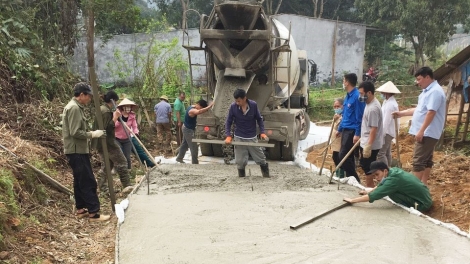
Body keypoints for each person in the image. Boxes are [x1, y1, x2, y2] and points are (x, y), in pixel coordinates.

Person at [62, 82, 110, 221]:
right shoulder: (74, 108)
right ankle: (94, 213)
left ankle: (81, 209)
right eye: (88, 96)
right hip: (76, 150)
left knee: (79, 180)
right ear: (81, 95)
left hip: (76, 150)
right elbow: (75, 132)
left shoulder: (76, 107)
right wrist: (93, 134)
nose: (89, 98)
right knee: (88, 181)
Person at [392, 67, 446, 185]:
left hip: (427, 132)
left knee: (418, 161)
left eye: (419, 79)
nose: (417, 82)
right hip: (427, 132)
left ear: (427, 77)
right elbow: (419, 110)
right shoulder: (426, 92)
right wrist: (402, 113)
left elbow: (431, 112)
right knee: (426, 160)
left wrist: (421, 130)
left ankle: (413, 189)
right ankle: (423, 184)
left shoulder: (435, 92)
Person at [343, 161, 432, 212]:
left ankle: (408, 207)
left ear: (385, 171)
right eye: (374, 175)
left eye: (377, 174)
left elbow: (374, 196)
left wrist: (352, 200)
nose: (376, 178)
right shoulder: (393, 171)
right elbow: (382, 184)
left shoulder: (393, 181)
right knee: (388, 188)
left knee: (391, 193)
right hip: (425, 197)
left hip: (422, 204)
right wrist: (369, 191)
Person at [93, 91, 133, 195]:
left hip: (101, 141)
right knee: (122, 162)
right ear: (113, 101)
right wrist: (115, 117)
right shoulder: (106, 112)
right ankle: (127, 186)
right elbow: (106, 128)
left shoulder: (102, 109)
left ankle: (103, 188)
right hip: (107, 141)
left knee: (107, 165)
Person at [225, 89, 269, 177]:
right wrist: (228, 135)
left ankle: (266, 175)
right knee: (240, 160)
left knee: (260, 157)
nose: (237, 103)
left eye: (239, 101)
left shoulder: (253, 105)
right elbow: (228, 122)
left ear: (245, 98)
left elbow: (259, 119)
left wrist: (262, 132)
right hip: (239, 137)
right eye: (236, 101)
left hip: (251, 137)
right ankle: (241, 177)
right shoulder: (233, 107)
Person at [336, 73, 366, 183]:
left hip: (352, 130)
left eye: (344, 81)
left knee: (343, 155)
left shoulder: (358, 96)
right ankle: (351, 179)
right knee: (348, 157)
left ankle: (355, 179)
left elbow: (360, 116)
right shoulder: (347, 96)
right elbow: (345, 114)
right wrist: (339, 129)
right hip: (345, 129)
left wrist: (357, 133)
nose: (343, 83)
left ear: (347, 82)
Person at [115, 98, 156, 169]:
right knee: (120, 154)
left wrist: (136, 132)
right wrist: (119, 120)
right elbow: (114, 126)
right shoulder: (118, 114)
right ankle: (118, 169)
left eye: (129, 106)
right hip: (117, 137)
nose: (128, 108)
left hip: (129, 136)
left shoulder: (132, 115)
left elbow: (134, 126)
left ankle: (130, 169)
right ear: (122, 107)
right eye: (126, 106)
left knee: (133, 153)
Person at [358, 81, 383, 188]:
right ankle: (370, 186)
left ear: (369, 93)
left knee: (368, 167)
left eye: (361, 93)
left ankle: (370, 188)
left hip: (371, 144)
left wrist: (368, 146)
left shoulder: (373, 108)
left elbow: (374, 129)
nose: (360, 96)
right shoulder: (369, 104)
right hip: (365, 140)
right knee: (365, 165)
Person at [176, 99, 214, 164]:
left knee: (184, 144)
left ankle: (179, 158)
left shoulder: (193, 106)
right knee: (194, 146)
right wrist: (209, 106)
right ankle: (195, 162)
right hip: (188, 130)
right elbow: (199, 112)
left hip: (186, 128)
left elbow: (199, 110)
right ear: (198, 105)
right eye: (201, 107)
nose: (201, 109)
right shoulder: (192, 110)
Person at [376, 81, 401, 166]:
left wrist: (381, 134)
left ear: (386, 93)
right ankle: (388, 168)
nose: (381, 94)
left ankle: (385, 172)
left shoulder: (390, 104)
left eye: (382, 93)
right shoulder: (386, 102)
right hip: (388, 131)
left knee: (381, 153)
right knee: (387, 152)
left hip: (387, 132)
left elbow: (386, 121)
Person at [331, 98, 345, 178]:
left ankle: (341, 174)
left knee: (339, 158)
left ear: (342, 106)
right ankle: (338, 173)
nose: (336, 108)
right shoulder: (336, 116)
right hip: (335, 142)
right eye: (335, 107)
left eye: (338, 106)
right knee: (335, 157)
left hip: (340, 141)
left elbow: (339, 128)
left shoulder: (344, 116)